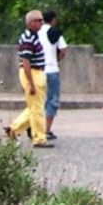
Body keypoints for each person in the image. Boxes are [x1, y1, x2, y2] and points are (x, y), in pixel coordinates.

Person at [8, 11, 50, 147]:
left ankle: (14, 129)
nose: (41, 23)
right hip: (32, 73)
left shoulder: (33, 36)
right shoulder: (28, 38)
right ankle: (39, 138)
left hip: (37, 72)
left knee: (34, 106)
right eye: (39, 20)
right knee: (37, 109)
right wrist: (31, 83)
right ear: (31, 22)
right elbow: (26, 61)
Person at [41, 10, 65, 143]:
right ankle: (46, 129)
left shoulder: (36, 32)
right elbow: (63, 49)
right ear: (53, 20)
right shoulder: (55, 32)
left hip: (38, 69)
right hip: (52, 68)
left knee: (39, 100)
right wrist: (57, 60)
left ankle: (35, 126)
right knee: (52, 100)